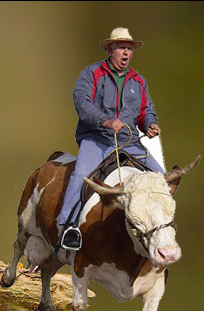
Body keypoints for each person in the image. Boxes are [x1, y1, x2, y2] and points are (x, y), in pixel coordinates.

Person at [57, 27, 165, 251]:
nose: (126, 53)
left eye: (130, 48)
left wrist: (150, 125)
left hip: (130, 141)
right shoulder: (92, 73)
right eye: (122, 48)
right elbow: (82, 103)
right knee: (82, 175)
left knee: (161, 179)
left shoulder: (138, 81)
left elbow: (146, 111)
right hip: (98, 138)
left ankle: (158, 229)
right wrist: (105, 121)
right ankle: (67, 226)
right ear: (110, 49)